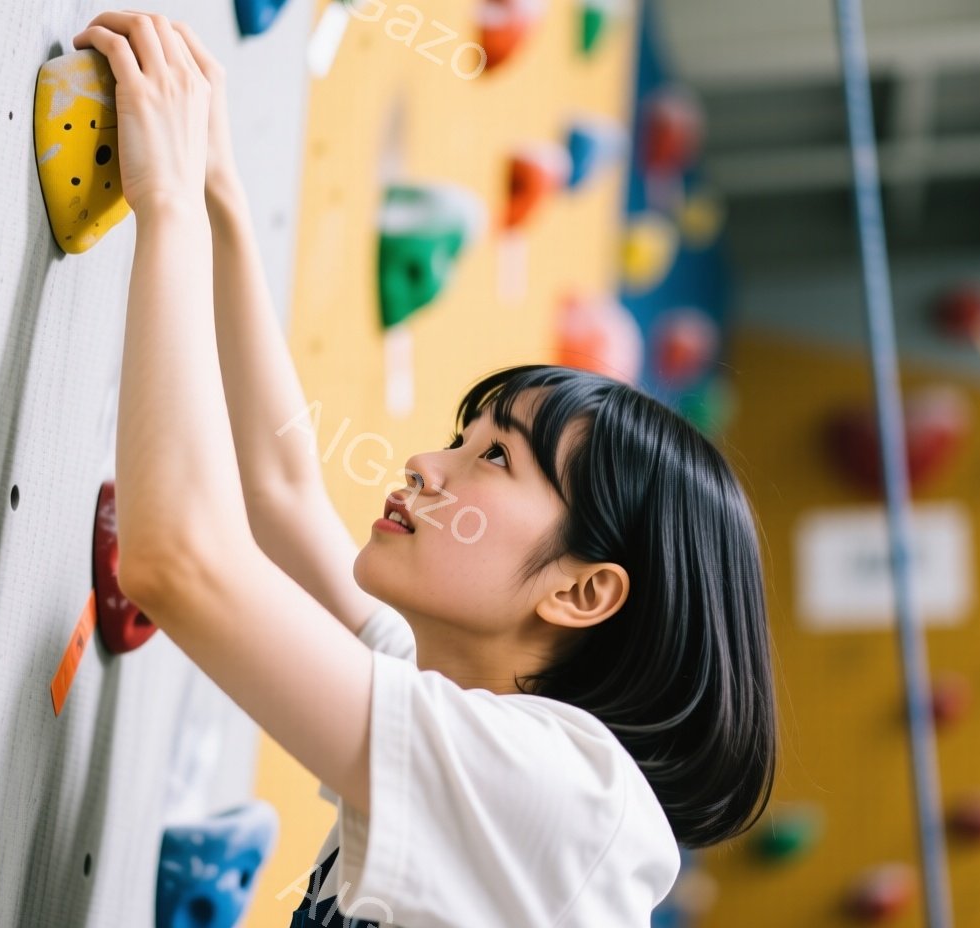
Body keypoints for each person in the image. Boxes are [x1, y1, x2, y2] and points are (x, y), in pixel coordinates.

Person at [73, 11, 778, 926]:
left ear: (582, 591)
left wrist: (165, 204)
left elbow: (180, 563)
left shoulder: (560, 796)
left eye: (493, 457)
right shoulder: (469, 713)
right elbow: (283, 492)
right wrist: (217, 195)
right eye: (460, 436)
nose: (425, 464)